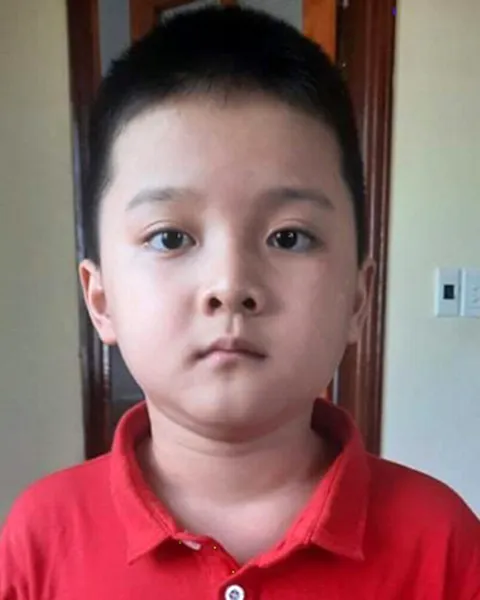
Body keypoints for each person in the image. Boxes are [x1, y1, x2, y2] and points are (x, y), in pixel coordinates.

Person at [1, 5, 479, 599]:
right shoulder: (42, 537)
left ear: (358, 298)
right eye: (170, 238)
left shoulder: (441, 541)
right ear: (100, 300)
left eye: (289, 237)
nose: (230, 284)